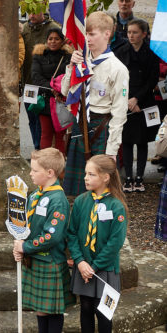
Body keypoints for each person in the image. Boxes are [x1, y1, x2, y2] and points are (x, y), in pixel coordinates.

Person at [61, 11, 128, 197]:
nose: (87, 39)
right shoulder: (82, 60)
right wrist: (72, 67)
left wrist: (112, 149)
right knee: (77, 190)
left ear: (107, 34)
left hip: (102, 126)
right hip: (80, 122)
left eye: (92, 34)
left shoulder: (118, 69)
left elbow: (120, 112)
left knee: (102, 189)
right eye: (86, 34)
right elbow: (65, 92)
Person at [12, 148, 75, 333]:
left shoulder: (58, 200)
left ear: (50, 173)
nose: (30, 173)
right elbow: (26, 224)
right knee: (40, 309)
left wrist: (26, 247)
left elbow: (52, 236)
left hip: (50, 261)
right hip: (34, 260)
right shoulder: (35, 195)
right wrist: (18, 242)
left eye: (34, 170)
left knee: (52, 310)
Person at [67, 154, 128, 333]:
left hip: (105, 269)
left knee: (103, 312)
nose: (85, 177)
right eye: (86, 173)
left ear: (105, 177)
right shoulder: (80, 202)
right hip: (83, 266)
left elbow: (115, 242)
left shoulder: (116, 206)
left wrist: (93, 266)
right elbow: (72, 233)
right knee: (85, 308)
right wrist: (80, 262)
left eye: (91, 174)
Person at [114, 19, 160, 193]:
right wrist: (127, 99)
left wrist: (137, 100)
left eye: (135, 32)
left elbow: (152, 79)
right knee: (126, 140)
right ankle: (128, 177)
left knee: (142, 140)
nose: (131, 36)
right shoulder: (121, 52)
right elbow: (117, 78)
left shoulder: (151, 53)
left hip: (144, 101)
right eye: (129, 32)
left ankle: (139, 176)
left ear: (144, 34)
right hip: (125, 100)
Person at [21, 11, 61, 150]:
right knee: (32, 116)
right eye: (29, 13)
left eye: (34, 12)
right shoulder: (25, 28)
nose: (31, 16)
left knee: (43, 119)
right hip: (30, 84)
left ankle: (46, 149)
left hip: (46, 86)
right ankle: (37, 147)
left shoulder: (53, 27)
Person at [31, 27, 72, 155]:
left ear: (62, 41)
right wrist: (53, 90)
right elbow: (36, 77)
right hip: (45, 100)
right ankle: (45, 162)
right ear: (46, 41)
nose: (53, 42)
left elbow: (69, 76)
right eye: (50, 39)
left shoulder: (68, 57)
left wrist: (60, 91)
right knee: (46, 133)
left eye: (56, 39)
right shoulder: (39, 56)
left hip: (61, 100)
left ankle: (60, 165)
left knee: (60, 134)